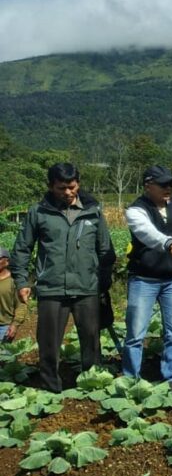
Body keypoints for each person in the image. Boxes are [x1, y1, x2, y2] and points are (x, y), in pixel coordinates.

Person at [10, 163, 116, 392]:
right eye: (61, 188)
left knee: (92, 341)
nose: (67, 193)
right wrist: (22, 282)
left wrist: (102, 282)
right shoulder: (38, 212)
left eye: (72, 186)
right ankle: (50, 387)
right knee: (48, 344)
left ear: (78, 183)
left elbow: (105, 249)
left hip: (87, 287)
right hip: (51, 287)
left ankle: (92, 384)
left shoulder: (93, 211)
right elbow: (21, 249)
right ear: (50, 186)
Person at [122, 166, 172, 390]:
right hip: (144, 279)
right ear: (148, 186)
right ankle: (131, 377)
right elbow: (146, 233)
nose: (169, 188)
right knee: (135, 333)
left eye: (171, 184)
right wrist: (170, 244)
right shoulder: (136, 210)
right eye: (163, 184)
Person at [0, 247, 29, 343]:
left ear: (7, 261)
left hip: (4, 327)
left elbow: (21, 305)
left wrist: (15, 325)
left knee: (4, 356)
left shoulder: (14, 282)